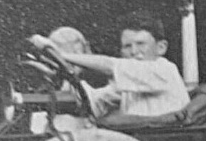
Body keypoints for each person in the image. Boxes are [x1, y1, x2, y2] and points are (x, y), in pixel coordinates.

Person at [33, 11, 189, 119]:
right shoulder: (132, 83)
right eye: (127, 46)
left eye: (141, 44)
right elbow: (93, 101)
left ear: (161, 47)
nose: (134, 52)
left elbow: (110, 65)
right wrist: (68, 73)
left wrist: (62, 55)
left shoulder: (164, 70)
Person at [29, 26, 98, 133]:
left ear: (87, 49)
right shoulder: (48, 86)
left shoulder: (100, 79)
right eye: (62, 48)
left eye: (75, 50)